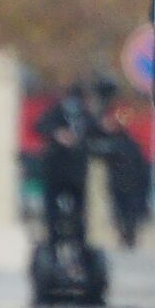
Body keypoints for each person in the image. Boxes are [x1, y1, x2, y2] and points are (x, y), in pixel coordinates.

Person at [35, 85, 96, 244]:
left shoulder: (78, 115)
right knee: (62, 213)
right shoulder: (77, 115)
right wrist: (58, 134)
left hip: (69, 173)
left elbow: (96, 131)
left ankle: (68, 242)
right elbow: (40, 126)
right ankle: (61, 242)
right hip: (63, 172)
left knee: (69, 214)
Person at [98, 110, 150, 248]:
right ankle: (127, 236)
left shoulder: (115, 144)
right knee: (126, 213)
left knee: (123, 212)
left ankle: (127, 236)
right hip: (127, 183)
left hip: (123, 183)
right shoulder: (131, 144)